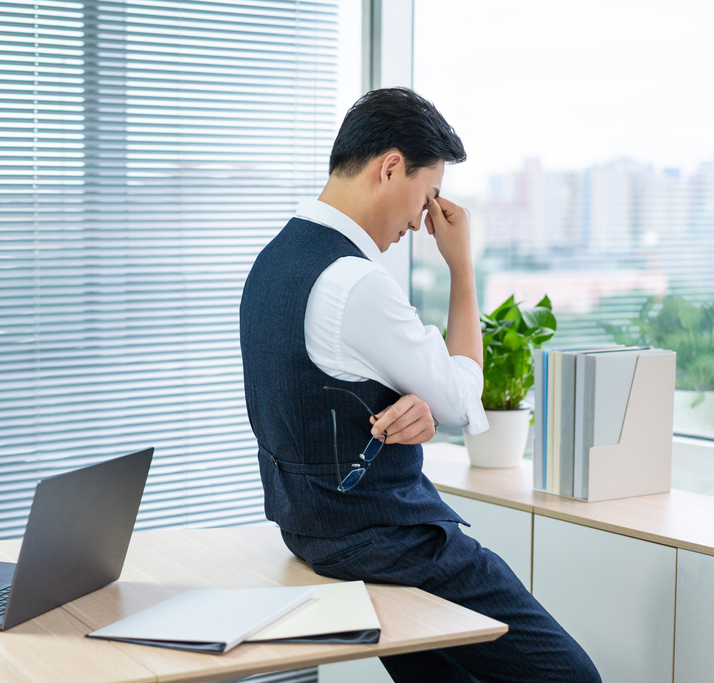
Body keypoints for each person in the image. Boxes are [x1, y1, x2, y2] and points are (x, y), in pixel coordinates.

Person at [239, 87, 600, 683]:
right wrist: (462, 266)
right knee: (572, 678)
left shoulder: (272, 263)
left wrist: (407, 409)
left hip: (309, 532)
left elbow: (316, 393)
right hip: (386, 541)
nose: (421, 219)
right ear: (389, 167)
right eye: (426, 193)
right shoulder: (356, 283)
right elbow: (461, 399)